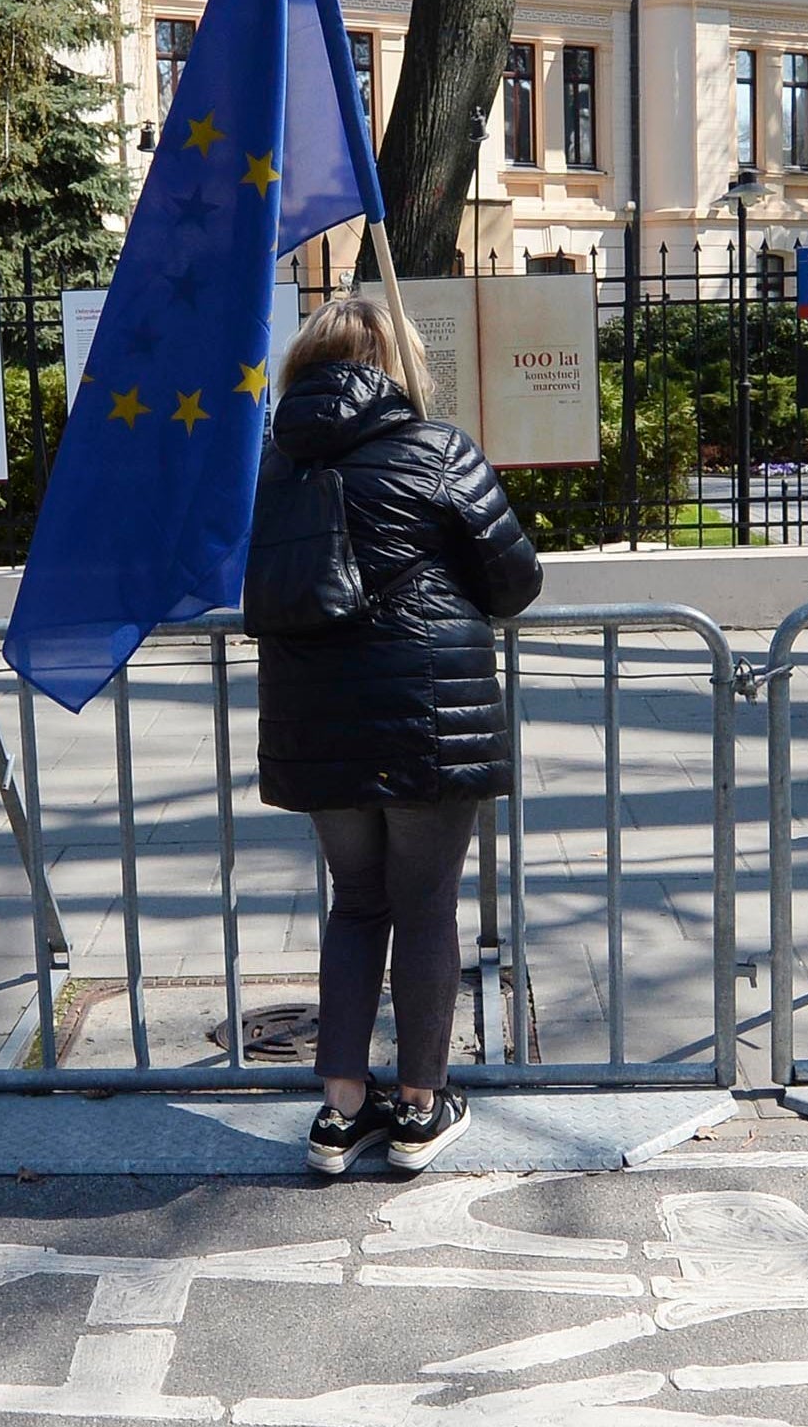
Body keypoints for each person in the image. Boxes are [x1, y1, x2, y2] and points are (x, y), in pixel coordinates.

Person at [244, 296, 541, 1177]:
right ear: (398, 363)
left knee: (356, 904)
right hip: (428, 714)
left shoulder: (274, 466)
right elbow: (514, 581)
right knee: (425, 906)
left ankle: (338, 1112)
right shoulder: (438, 449)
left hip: (316, 724)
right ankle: (419, 1107)